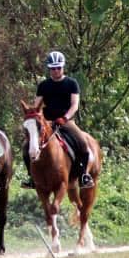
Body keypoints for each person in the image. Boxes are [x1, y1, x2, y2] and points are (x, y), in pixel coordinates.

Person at [21, 51, 94, 189]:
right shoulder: (44, 85)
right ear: (49, 69)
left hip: (66, 122)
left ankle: (84, 175)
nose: (56, 71)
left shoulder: (71, 83)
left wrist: (65, 118)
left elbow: (75, 105)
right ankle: (31, 177)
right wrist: (36, 117)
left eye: (58, 68)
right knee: (26, 147)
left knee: (83, 143)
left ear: (63, 67)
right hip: (47, 122)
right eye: (53, 68)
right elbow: (37, 106)